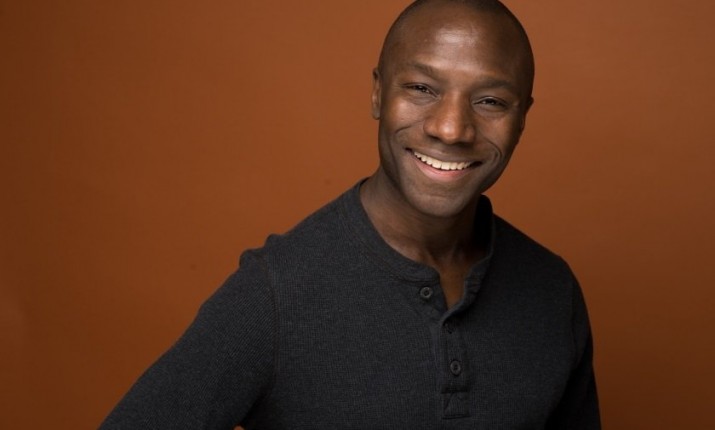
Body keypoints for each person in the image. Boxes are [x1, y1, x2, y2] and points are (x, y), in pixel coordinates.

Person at [100, 0, 600, 428]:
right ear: (378, 93)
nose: (451, 128)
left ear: (522, 118)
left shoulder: (552, 292)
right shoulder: (276, 294)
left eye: (490, 100)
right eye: (422, 88)